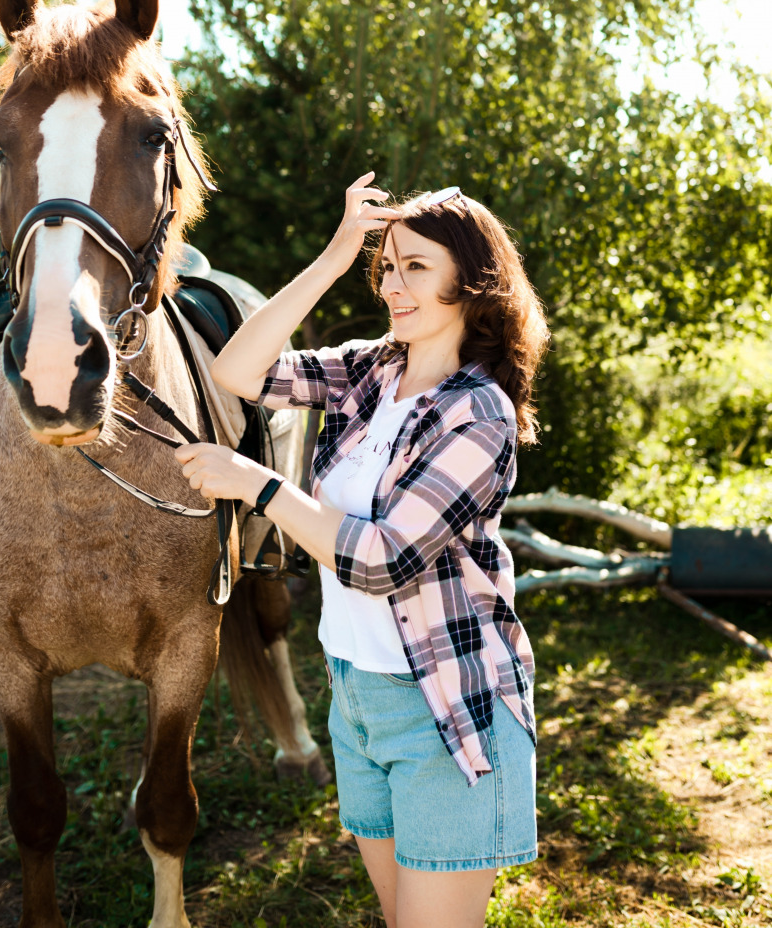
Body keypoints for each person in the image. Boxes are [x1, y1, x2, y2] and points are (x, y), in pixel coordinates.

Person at [175, 173, 549, 928]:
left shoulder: (479, 413)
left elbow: (381, 560)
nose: (393, 286)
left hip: (443, 706)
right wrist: (336, 255)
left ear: (473, 283)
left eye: (417, 267)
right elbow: (235, 372)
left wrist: (257, 484)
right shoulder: (373, 371)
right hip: (357, 696)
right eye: (388, 266)